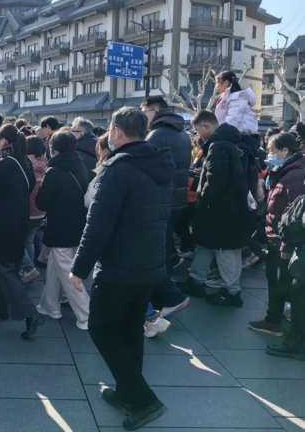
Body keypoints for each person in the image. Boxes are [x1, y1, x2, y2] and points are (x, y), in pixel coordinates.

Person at [70, 107, 173, 430]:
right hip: (150, 261)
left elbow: (98, 225)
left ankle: (144, 400)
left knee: (101, 328)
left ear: (116, 132)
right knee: (130, 329)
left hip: (119, 265)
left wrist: (79, 268)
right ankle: (128, 391)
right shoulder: (160, 162)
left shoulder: (117, 168)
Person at [177, 110, 254, 307]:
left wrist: (205, 202)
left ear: (206, 126)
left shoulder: (218, 147)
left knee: (224, 249)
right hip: (228, 208)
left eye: (197, 130)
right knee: (206, 245)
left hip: (219, 210)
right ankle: (196, 279)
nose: (197, 135)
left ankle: (231, 292)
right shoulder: (232, 144)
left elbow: (215, 180)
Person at [0, 124, 45, 339]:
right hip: (21, 218)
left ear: (3, 142)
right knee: (8, 263)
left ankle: (30, 313)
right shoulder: (25, 161)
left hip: (3, 222)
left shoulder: (2, 165)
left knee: (3, 267)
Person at [141, 96, 192, 329]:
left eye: (145, 110)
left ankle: (170, 297)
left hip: (159, 200)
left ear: (155, 109)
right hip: (176, 200)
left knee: (152, 253)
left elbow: (147, 170)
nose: (144, 115)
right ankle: (167, 296)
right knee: (162, 248)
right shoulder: (182, 133)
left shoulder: (157, 135)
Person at [249, 133, 305, 336]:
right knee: (278, 280)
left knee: (279, 282)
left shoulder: (294, 175)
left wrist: (286, 247)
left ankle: (273, 321)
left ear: (284, 151)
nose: (269, 154)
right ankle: (276, 316)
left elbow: (295, 215)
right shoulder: (284, 171)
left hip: (284, 242)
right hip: (277, 237)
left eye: (272, 150)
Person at [36, 131, 91, 330]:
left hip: (60, 228)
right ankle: (50, 306)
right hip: (79, 225)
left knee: (68, 273)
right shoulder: (81, 164)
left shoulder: (54, 171)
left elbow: (41, 203)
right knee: (54, 267)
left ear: (55, 148)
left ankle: (86, 315)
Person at [19, 135, 47, 284]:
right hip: (40, 210)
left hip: (28, 208)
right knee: (29, 241)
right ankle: (29, 269)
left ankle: (28, 269)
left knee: (19, 241)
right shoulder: (46, 161)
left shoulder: (26, 162)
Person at [214, 70, 258, 135]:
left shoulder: (236, 98)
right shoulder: (228, 97)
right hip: (234, 132)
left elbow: (233, 118)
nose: (216, 86)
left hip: (242, 134)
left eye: (217, 82)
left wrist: (223, 133)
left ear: (225, 83)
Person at [70, 117, 98, 182]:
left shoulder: (76, 154)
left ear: (81, 133)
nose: (69, 134)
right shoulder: (101, 146)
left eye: (72, 131)